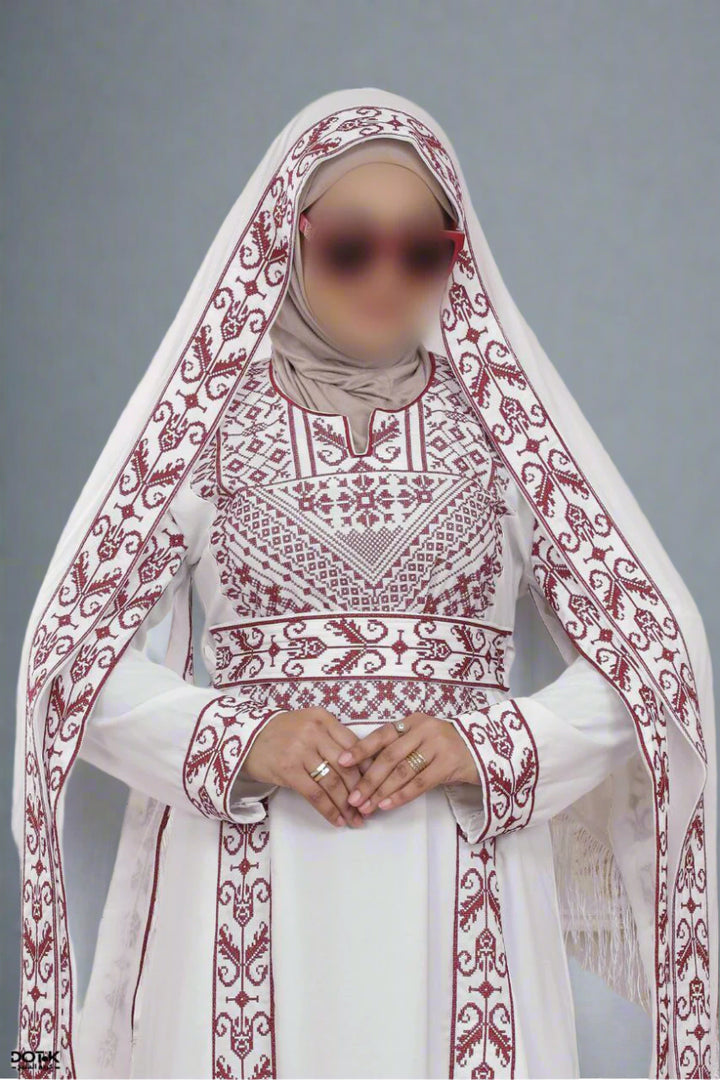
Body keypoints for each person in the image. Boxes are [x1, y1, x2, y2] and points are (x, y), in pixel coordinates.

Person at [12, 88, 718, 1080]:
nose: (386, 278)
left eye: (421, 252)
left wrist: (496, 745)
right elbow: (69, 665)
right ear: (288, 240)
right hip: (242, 897)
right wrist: (236, 737)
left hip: (467, 889)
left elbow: (655, 666)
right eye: (351, 247)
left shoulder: (508, 437)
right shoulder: (201, 435)